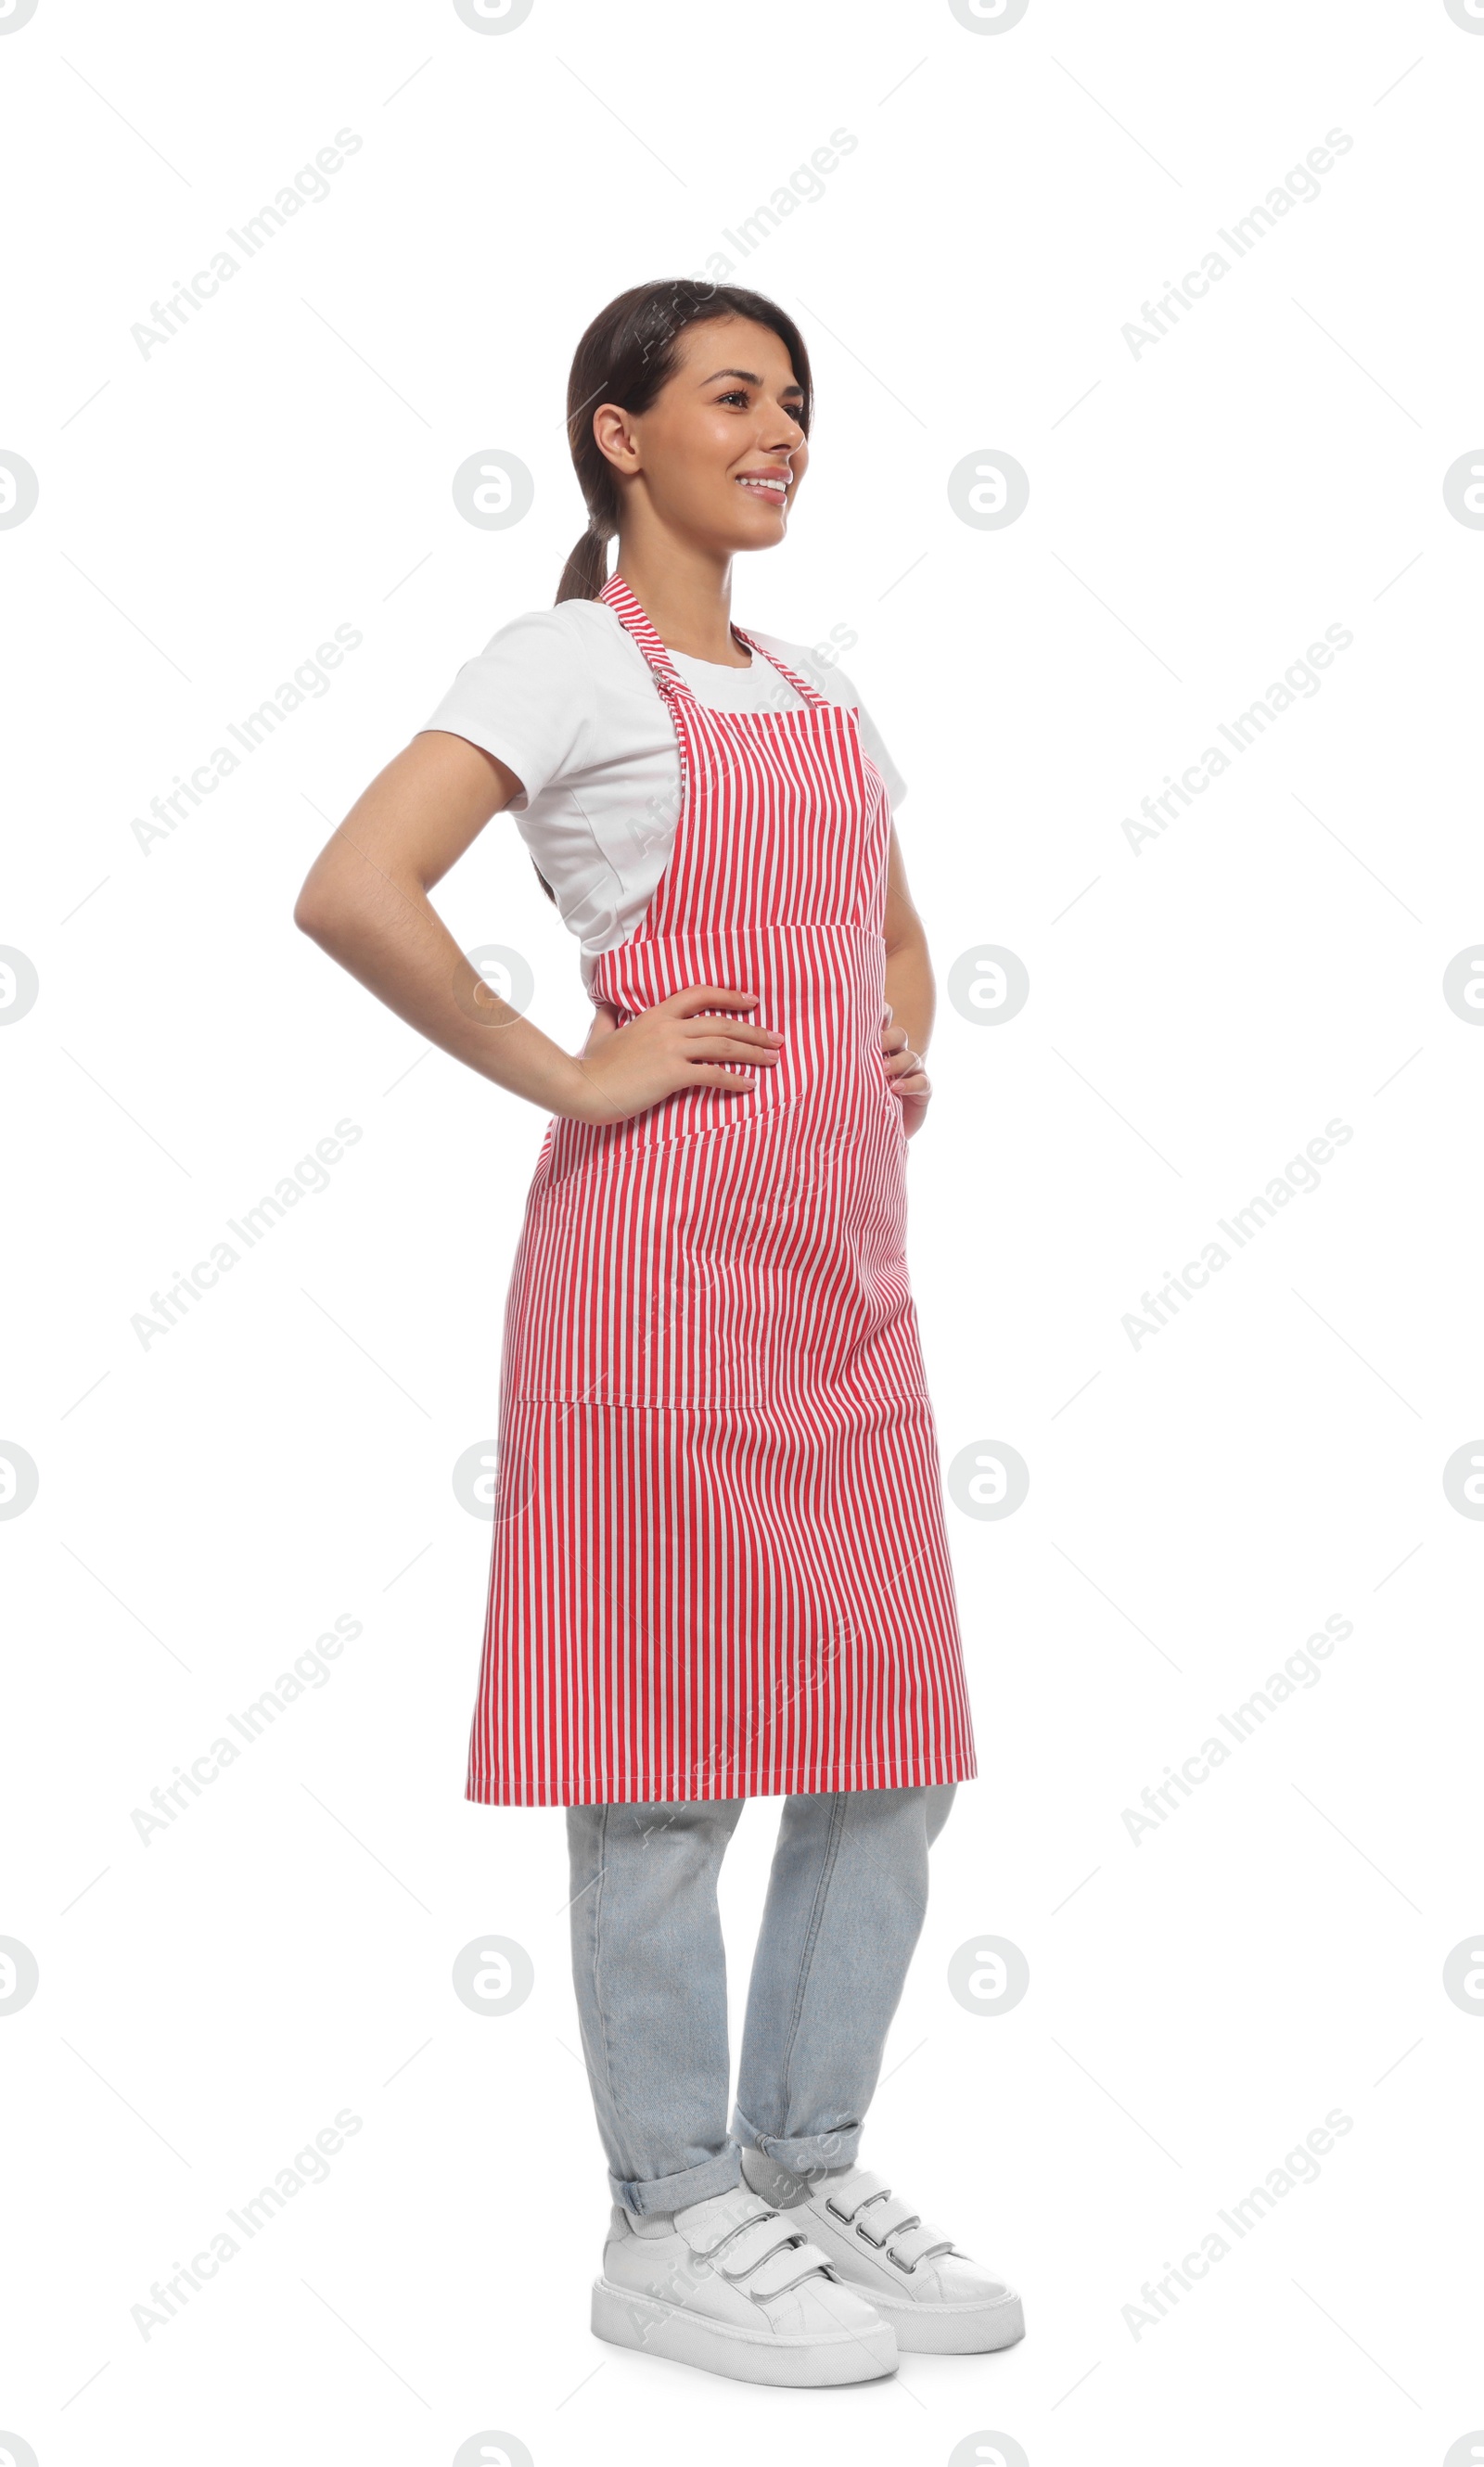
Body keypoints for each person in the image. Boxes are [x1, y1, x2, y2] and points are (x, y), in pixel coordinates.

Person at [293, 278, 1023, 2388]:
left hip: (845, 1293)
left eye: (794, 400)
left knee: (889, 1747)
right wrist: (568, 1069)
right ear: (619, 435)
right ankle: (665, 2211)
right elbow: (357, 886)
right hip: (651, 1281)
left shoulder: (813, 687)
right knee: (661, 1763)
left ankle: (796, 2167)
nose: (779, 429)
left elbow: (888, 921)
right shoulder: (561, 660)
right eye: (732, 395)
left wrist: (898, 1038)